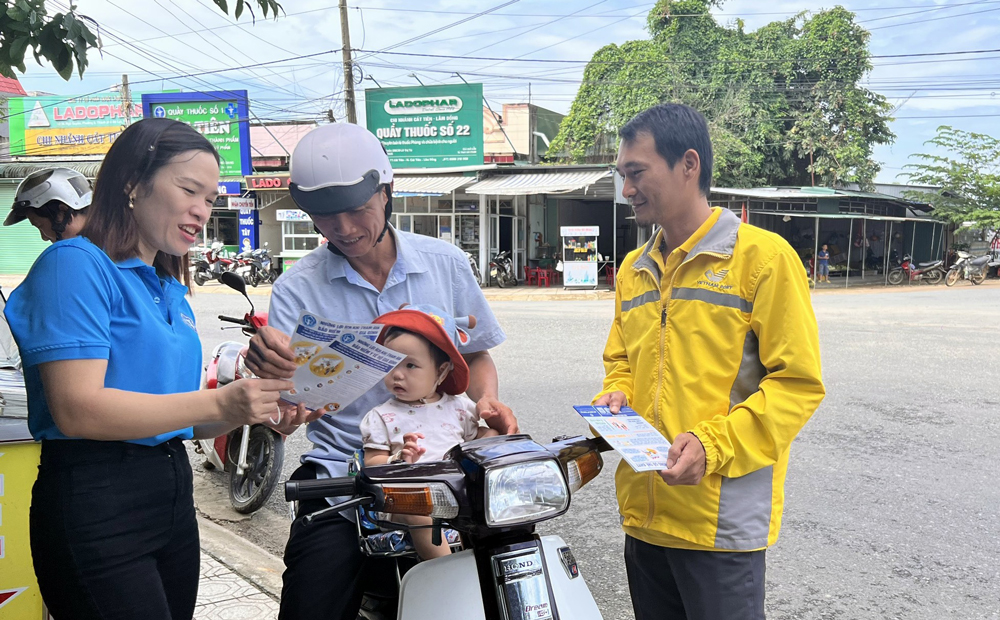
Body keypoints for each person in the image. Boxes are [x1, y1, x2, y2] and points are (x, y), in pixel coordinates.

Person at [3, 118, 318, 620]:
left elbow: (185, 419)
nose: (202, 210)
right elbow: (78, 410)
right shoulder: (75, 265)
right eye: (188, 189)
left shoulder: (165, 287)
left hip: (170, 496)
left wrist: (253, 406)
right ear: (131, 184)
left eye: (211, 198)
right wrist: (222, 400)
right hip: (96, 500)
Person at [242, 122, 517, 620]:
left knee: (507, 584)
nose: (344, 229)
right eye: (326, 218)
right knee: (311, 601)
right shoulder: (296, 288)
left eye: (357, 210)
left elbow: (475, 354)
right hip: (344, 477)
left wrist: (487, 403)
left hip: (447, 470)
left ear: (386, 193)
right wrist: (282, 413)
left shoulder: (444, 264)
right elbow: (282, 402)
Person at [596, 103, 825, 620]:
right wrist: (614, 397)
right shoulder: (634, 268)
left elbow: (797, 384)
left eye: (636, 174)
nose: (626, 190)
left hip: (720, 527)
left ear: (689, 164)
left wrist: (711, 443)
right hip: (645, 514)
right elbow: (621, 361)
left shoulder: (763, 259)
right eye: (622, 176)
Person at [361, 304, 498, 560]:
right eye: (391, 364)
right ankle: (444, 568)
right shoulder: (382, 416)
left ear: (442, 370)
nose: (397, 374)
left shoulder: (460, 408)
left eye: (411, 365)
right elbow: (371, 463)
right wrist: (398, 459)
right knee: (419, 510)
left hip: (458, 496)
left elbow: (481, 441)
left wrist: (494, 432)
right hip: (404, 501)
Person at [3, 167, 92, 242]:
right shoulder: (101, 245)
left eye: (40, 226)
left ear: (63, 213)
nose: (44, 238)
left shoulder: (70, 255)